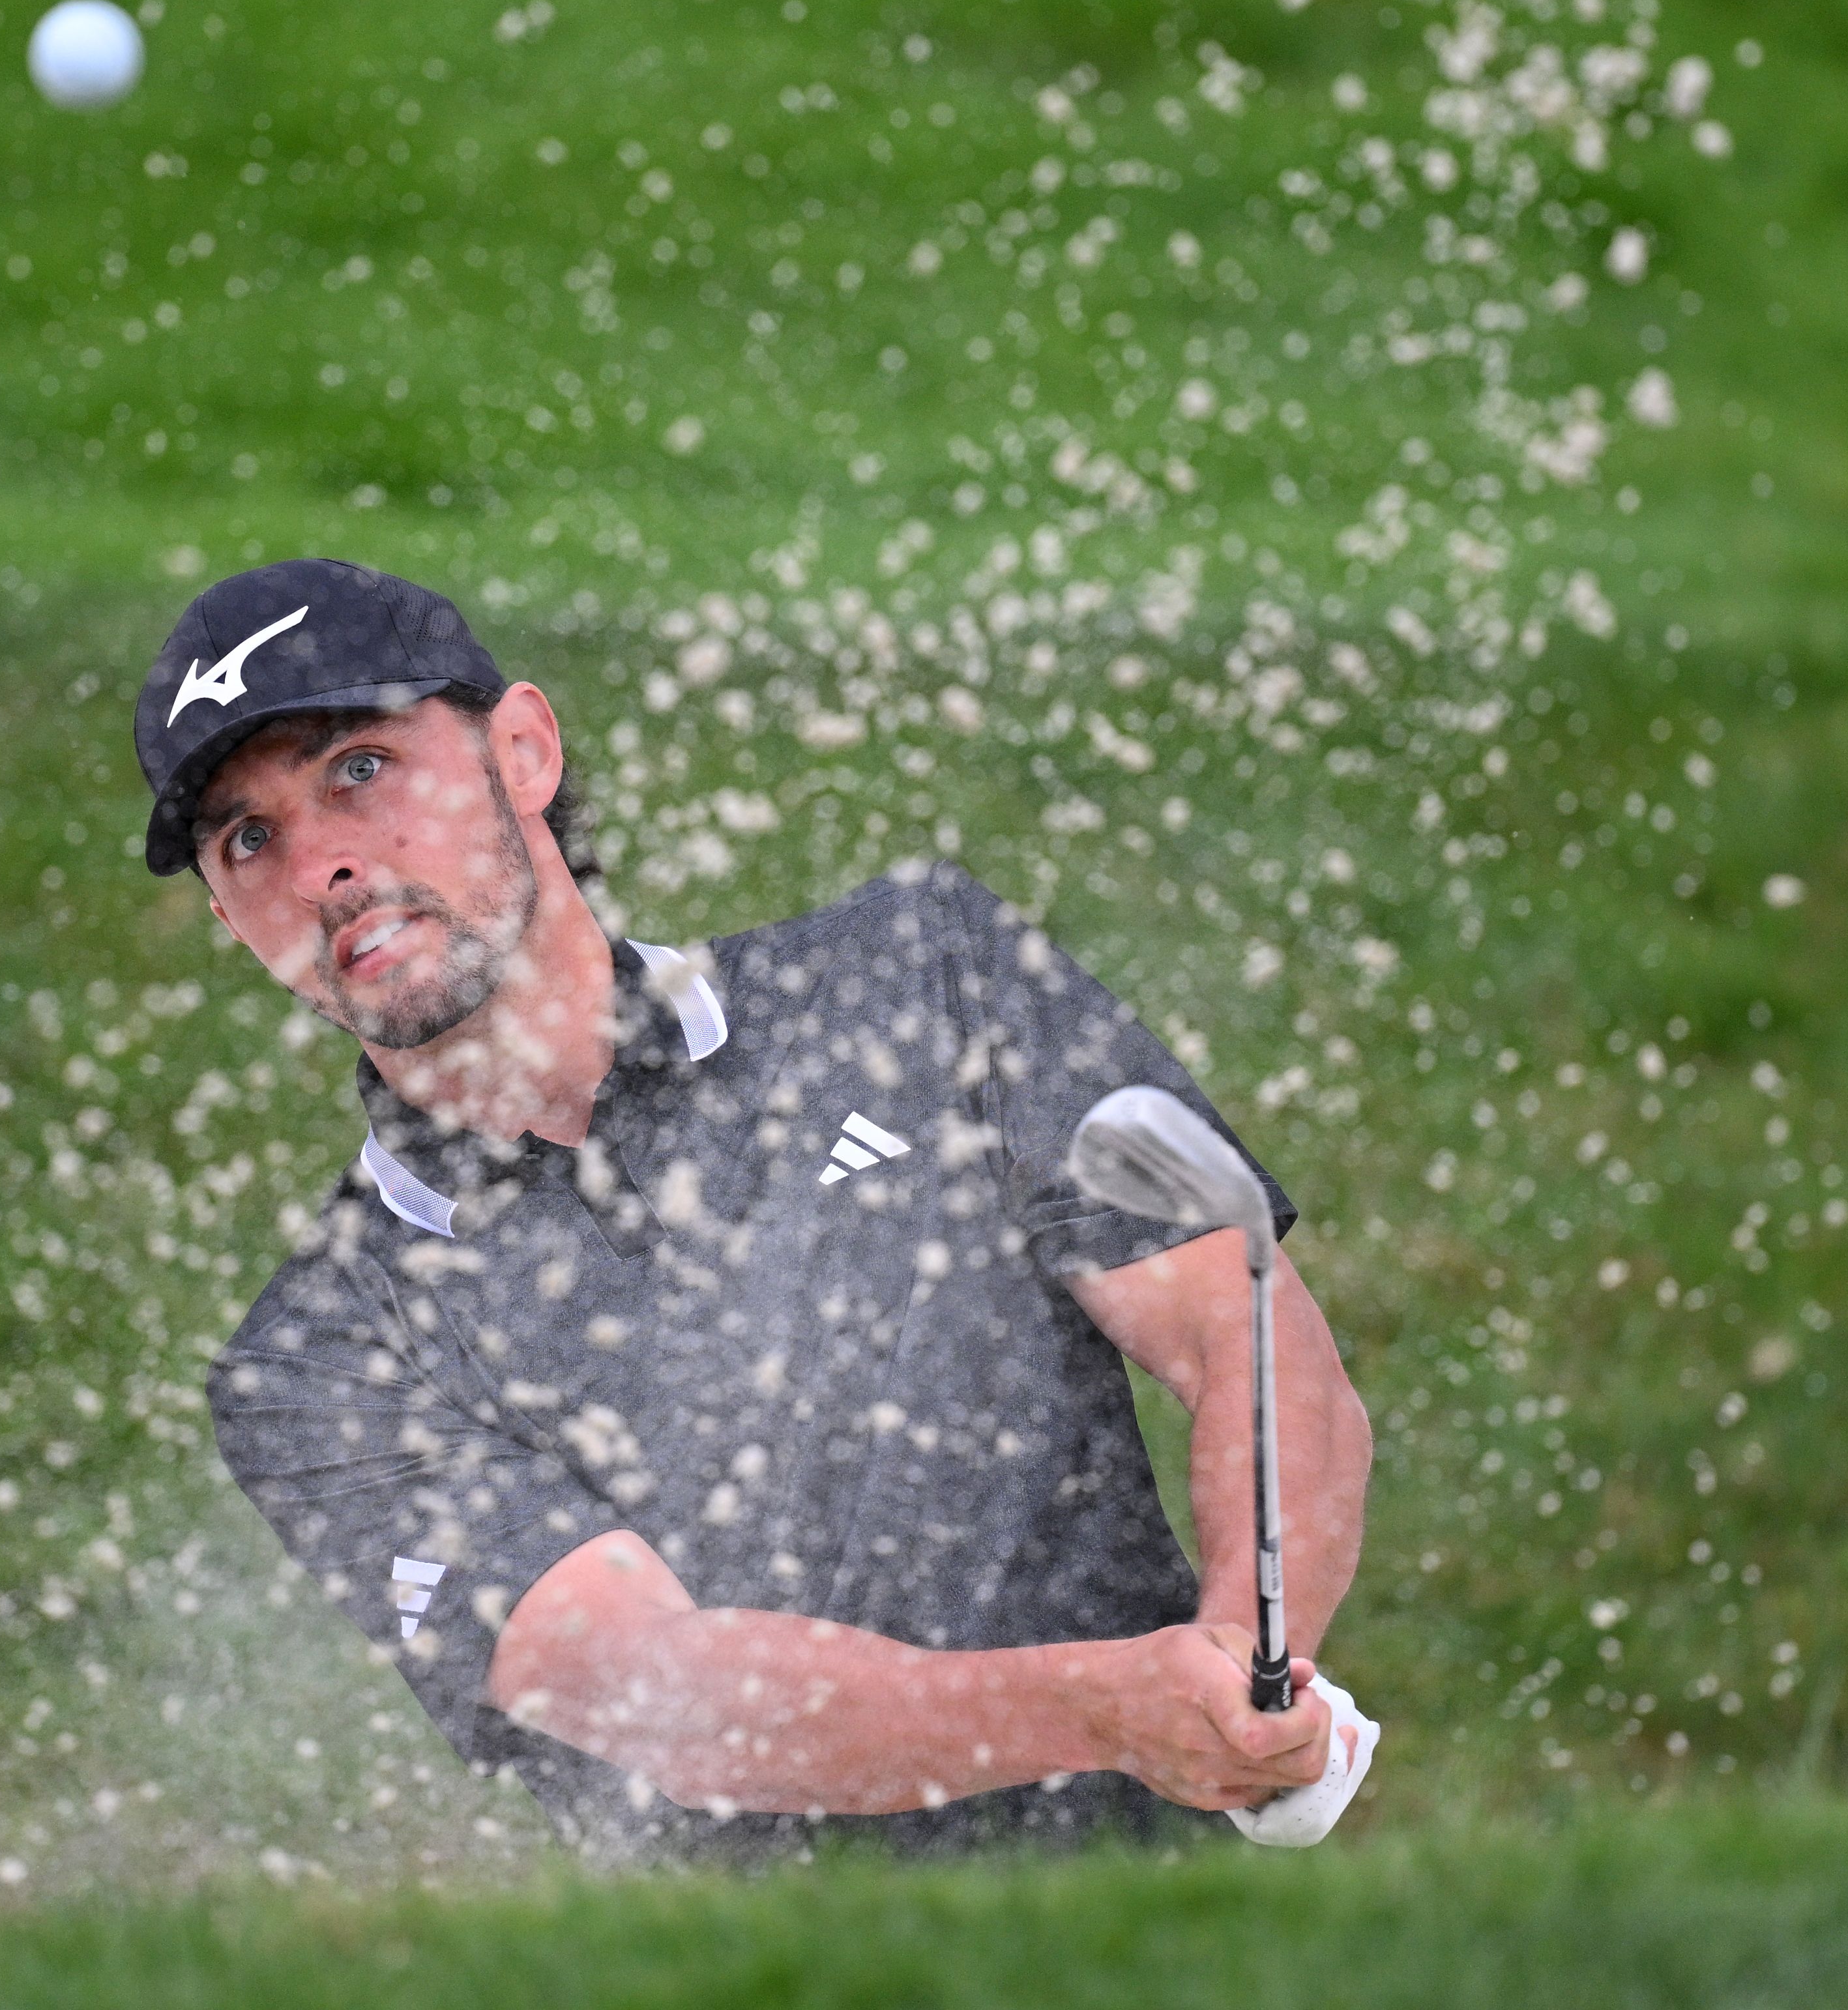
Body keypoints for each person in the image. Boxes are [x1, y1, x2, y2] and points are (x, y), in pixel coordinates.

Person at [131, 557, 1372, 1857]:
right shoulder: (319, 1356)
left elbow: (1249, 1343)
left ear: (523, 748)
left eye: (358, 771)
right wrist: (1112, 1711)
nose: (323, 862)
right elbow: (663, 1693)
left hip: (1153, 1919)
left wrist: (1242, 1674)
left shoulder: (916, 975)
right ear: (229, 916)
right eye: (248, 837)